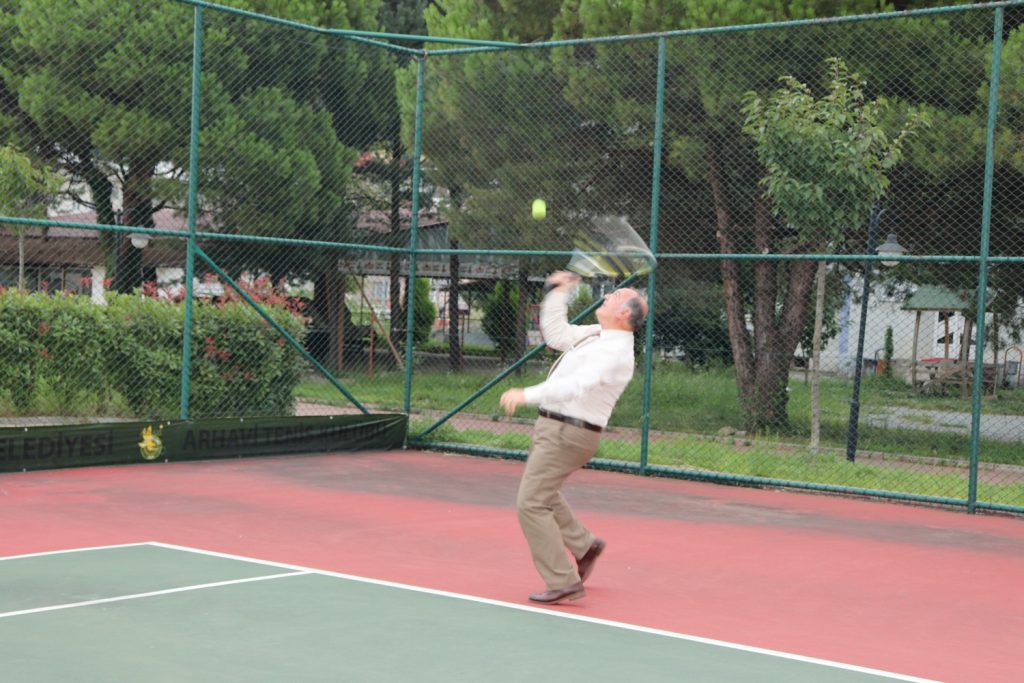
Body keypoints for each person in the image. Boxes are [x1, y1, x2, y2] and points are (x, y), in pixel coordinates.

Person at [499, 270, 648, 604]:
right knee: (544, 493)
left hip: (570, 433)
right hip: (556, 428)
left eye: (614, 296)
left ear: (624, 313)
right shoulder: (597, 334)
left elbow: (577, 385)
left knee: (531, 503)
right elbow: (557, 335)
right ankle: (584, 545)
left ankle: (563, 580)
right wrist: (558, 292)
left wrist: (526, 394)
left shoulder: (615, 352)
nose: (606, 296)